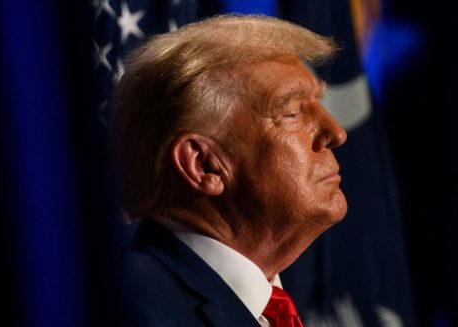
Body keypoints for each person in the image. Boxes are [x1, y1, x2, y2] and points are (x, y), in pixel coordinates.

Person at [112, 14, 348, 327]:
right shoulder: (132, 311)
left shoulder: (265, 307)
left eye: (318, 103)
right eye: (291, 113)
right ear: (203, 165)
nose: (336, 132)